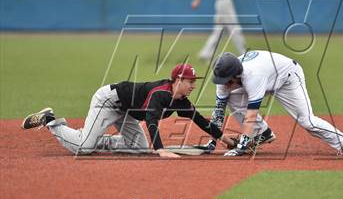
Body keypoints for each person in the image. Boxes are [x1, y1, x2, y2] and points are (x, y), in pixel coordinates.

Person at [21, 64, 235, 158]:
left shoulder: (180, 100)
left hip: (125, 110)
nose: (193, 85)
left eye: (193, 81)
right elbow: (151, 119)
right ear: (178, 80)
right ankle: (51, 120)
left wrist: (223, 137)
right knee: (83, 148)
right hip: (108, 101)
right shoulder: (161, 93)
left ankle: (93, 138)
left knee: (139, 147)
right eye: (190, 81)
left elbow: (199, 119)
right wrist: (160, 149)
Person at [206, 50, 343, 157]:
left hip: (288, 78)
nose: (223, 84)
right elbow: (219, 110)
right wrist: (213, 141)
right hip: (267, 75)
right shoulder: (223, 78)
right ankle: (262, 134)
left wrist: (241, 146)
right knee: (231, 99)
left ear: (236, 74)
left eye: (226, 81)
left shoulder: (253, 75)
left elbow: (251, 114)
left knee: (307, 121)